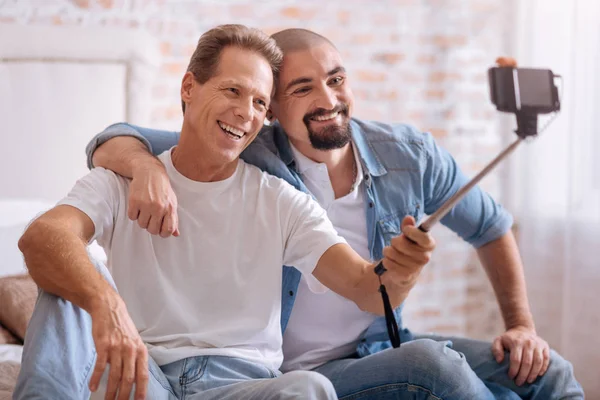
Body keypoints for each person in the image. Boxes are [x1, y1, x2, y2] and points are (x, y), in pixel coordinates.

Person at [87, 31, 583, 399]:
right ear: (272, 110)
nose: (328, 101)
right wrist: (143, 167)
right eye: (302, 89)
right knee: (433, 366)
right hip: (294, 372)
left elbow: (491, 228)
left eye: (336, 80)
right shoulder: (249, 151)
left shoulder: (410, 155)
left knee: (546, 371)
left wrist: (521, 324)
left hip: (380, 348)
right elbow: (113, 138)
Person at [14, 25, 437, 400]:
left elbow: (367, 288)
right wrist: (106, 304)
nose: (245, 113)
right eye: (232, 90)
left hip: (244, 387)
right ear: (188, 88)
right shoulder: (120, 182)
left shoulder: (280, 201)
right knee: (68, 268)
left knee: (310, 388)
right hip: (143, 381)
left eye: (259, 102)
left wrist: (401, 270)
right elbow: (40, 238)